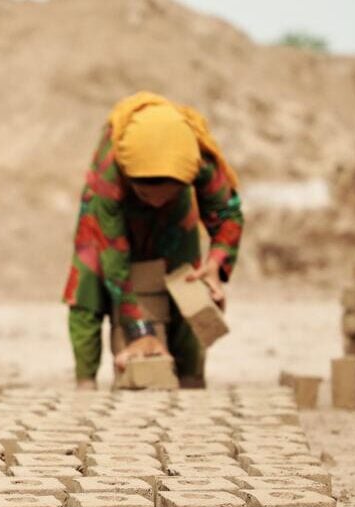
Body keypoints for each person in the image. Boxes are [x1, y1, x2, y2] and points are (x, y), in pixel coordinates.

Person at [62, 91, 244, 389]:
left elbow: (229, 215)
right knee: (87, 286)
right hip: (110, 219)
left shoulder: (197, 161)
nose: (155, 204)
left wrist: (215, 265)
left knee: (187, 286)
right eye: (147, 195)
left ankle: (191, 378)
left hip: (176, 220)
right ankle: (85, 384)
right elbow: (115, 263)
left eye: (166, 196)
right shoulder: (109, 175)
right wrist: (140, 330)